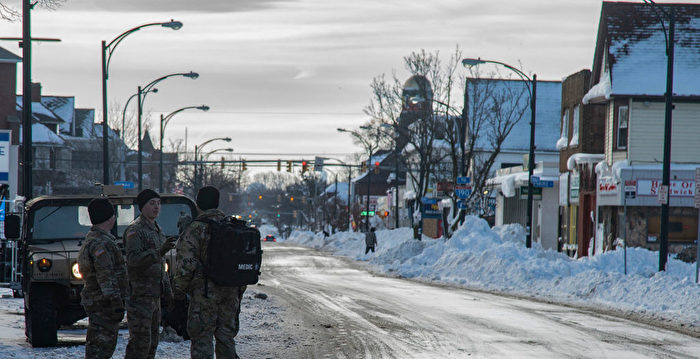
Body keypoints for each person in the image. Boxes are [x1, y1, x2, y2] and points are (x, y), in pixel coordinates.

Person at [174, 186, 245, 359]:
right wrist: (238, 291)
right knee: (226, 338)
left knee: (202, 340)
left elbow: (186, 264)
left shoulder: (195, 229)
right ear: (218, 203)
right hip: (230, 292)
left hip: (204, 294)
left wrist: (178, 292)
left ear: (198, 204)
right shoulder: (232, 227)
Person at [124, 189, 176, 359]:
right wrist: (159, 251)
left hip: (155, 296)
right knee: (140, 343)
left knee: (152, 343)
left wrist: (167, 291)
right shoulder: (135, 230)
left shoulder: (157, 229)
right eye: (152, 203)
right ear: (142, 207)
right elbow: (133, 260)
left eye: (158, 203)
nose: (156, 207)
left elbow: (161, 266)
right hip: (140, 297)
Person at [78, 198, 127, 359]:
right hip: (104, 305)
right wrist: (116, 303)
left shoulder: (94, 238)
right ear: (110, 217)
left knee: (99, 347)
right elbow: (106, 275)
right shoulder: (101, 243)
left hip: (98, 302)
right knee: (100, 349)